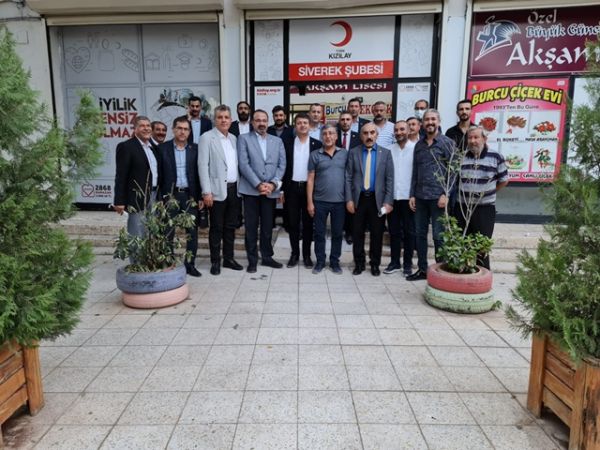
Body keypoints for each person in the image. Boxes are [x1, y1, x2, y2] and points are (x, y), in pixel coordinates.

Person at [407, 109, 456, 281]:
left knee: (438, 236)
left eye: (433, 119)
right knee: (419, 235)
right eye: (427, 119)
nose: (430, 122)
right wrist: (412, 194)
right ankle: (422, 269)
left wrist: (446, 194)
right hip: (420, 197)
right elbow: (415, 171)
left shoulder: (447, 143)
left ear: (439, 121)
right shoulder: (419, 145)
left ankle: (440, 271)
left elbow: (453, 171)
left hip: (438, 198)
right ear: (422, 123)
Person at [237, 109, 286, 273]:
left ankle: (267, 257)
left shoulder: (277, 141)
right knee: (251, 228)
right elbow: (244, 164)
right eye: (258, 120)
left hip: (270, 191)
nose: (262, 123)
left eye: (264, 120)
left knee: (267, 227)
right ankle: (252, 260)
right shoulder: (244, 139)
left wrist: (272, 184)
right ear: (252, 123)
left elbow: (282, 165)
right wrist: (258, 184)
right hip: (251, 191)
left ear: (268, 122)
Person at [198, 105, 244, 275]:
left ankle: (229, 259)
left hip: (233, 190)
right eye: (220, 117)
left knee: (230, 227)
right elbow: (202, 165)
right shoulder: (206, 138)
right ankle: (215, 261)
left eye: (226, 117)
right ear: (214, 119)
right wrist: (206, 192)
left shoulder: (234, 138)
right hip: (216, 191)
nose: (223, 120)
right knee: (216, 228)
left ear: (231, 120)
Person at [455, 125, 508, 269]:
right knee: (462, 245)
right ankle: (464, 274)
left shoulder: (496, 157)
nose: (473, 141)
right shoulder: (461, 157)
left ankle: (481, 276)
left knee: (481, 247)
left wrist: (489, 192)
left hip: (484, 209)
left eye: (476, 137)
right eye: (470, 138)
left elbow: (504, 180)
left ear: (484, 139)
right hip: (462, 208)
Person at [345, 123, 394, 276]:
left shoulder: (386, 153)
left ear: (377, 135)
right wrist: (349, 199)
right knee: (357, 233)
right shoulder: (353, 152)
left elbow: (390, 179)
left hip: (377, 200)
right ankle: (359, 263)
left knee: (377, 234)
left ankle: (374, 264)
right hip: (358, 199)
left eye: (372, 132)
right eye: (365, 133)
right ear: (361, 136)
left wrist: (388, 201)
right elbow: (348, 177)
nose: (369, 136)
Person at [158, 117, 202, 277]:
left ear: (189, 132)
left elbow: (199, 174)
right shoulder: (162, 149)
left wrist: (200, 196)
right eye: (180, 128)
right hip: (170, 196)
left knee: (192, 232)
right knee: (168, 231)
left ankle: (190, 265)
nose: (183, 132)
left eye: (186, 129)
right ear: (173, 129)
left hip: (190, 196)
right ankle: (168, 263)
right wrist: (160, 198)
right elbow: (159, 175)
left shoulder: (195, 149)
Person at [282, 112, 322, 268]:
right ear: (295, 126)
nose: (302, 125)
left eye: (305, 123)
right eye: (299, 123)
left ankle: (306, 255)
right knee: (292, 223)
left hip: (309, 189)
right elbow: (283, 168)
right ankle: (294, 254)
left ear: (310, 125)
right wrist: (282, 190)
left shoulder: (317, 144)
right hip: (291, 188)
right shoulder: (287, 144)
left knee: (308, 224)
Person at [307, 124, 348, 274]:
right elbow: (310, 179)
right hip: (319, 201)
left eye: (331, 133)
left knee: (337, 234)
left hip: (340, 202)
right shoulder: (315, 155)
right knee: (319, 234)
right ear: (321, 137)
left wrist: (349, 200)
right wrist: (310, 202)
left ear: (336, 136)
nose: (328, 136)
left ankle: (335, 262)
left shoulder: (345, 154)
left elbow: (349, 177)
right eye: (325, 134)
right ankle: (320, 261)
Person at [114, 116, 161, 240]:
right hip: (137, 198)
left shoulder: (154, 148)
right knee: (137, 235)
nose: (146, 128)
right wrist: (119, 201)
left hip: (155, 196)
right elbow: (121, 175)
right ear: (135, 129)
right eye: (142, 126)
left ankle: (149, 254)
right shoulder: (126, 147)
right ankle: (136, 254)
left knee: (152, 233)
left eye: (148, 126)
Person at [383, 120, 416, 276]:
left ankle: (408, 264)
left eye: (402, 129)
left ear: (408, 131)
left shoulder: (416, 149)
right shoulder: (389, 150)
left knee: (409, 232)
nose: (399, 132)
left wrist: (414, 195)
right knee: (394, 232)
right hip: (392, 198)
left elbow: (418, 175)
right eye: (396, 130)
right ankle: (394, 262)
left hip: (409, 198)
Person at [336, 110, 360, 244]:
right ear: (339, 121)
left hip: (353, 175)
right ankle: (339, 230)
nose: (345, 122)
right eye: (343, 119)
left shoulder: (358, 137)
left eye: (348, 119)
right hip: (337, 174)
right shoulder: (333, 135)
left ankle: (350, 232)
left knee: (351, 203)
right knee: (339, 205)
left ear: (352, 121)